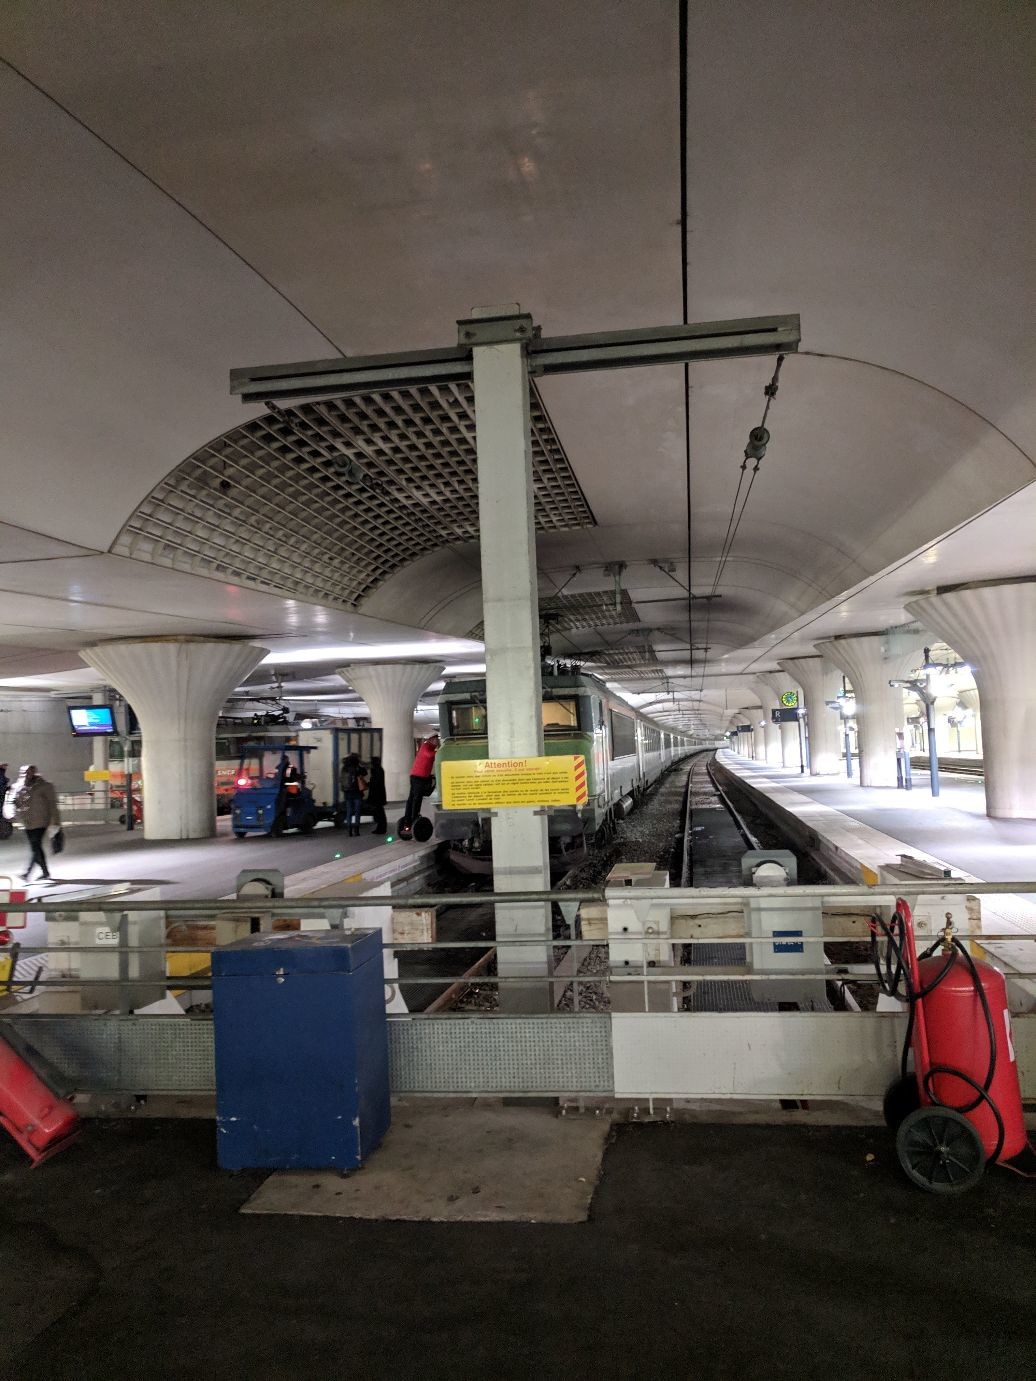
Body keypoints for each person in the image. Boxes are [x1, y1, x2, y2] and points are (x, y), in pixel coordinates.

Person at [14, 764, 61, 882]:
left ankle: (28, 873)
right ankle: (45, 872)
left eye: (29, 772)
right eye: (24, 772)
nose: (27, 774)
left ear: (34, 772)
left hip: (41, 821)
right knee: (36, 848)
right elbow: (18, 804)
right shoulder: (20, 787)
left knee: (35, 846)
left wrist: (56, 822)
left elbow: (52, 805)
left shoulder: (45, 786)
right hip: (27, 822)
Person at [402, 734, 440, 836]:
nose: (437, 741)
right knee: (416, 799)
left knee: (412, 799)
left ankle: (407, 822)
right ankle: (414, 819)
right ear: (431, 739)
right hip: (418, 778)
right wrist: (440, 751)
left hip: (417, 777)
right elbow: (429, 755)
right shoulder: (426, 746)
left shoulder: (430, 747)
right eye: (436, 739)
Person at [339, 752, 368, 837]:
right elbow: (365, 773)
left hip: (347, 793)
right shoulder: (357, 767)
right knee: (357, 812)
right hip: (357, 793)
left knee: (349, 812)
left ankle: (349, 830)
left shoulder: (344, 768)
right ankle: (356, 830)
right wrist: (360, 764)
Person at [365, 756, 387, 835]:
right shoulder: (379, 769)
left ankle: (381, 829)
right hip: (379, 795)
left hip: (377, 795)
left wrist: (369, 784)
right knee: (379, 812)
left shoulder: (377, 770)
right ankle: (381, 828)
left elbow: (375, 782)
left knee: (379, 812)